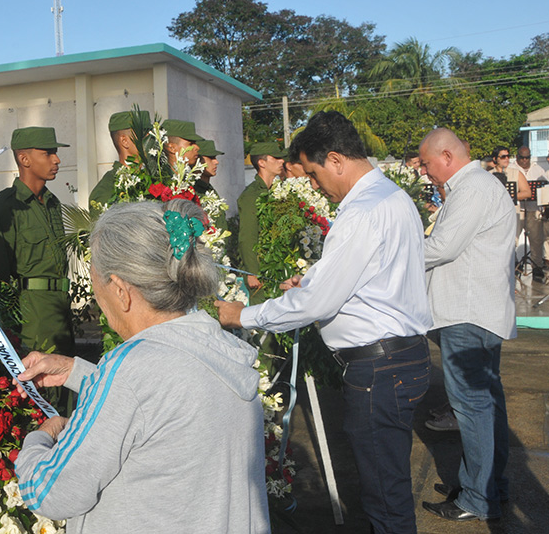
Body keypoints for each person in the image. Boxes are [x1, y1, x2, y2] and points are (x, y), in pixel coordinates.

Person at [215, 111, 432, 534]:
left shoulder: (362, 211)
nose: (314, 185)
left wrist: (242, 314)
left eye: (313, 174)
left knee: (385, 498)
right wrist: (312, 281)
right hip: (401, 358)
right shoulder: (392, 197)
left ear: (335, 159)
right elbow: (369, 278)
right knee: (388, 485)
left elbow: (317, 303)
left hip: (379, 369)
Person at [13, 198, 270, 534]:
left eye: (96, 285)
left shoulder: (131, 370)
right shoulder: (217, 347)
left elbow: (53, 492)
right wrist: (79, 373)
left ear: (121, 290)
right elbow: (170, 405)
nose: (97, 299)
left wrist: (40, 439)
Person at [418, 128, 516, 522]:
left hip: (468, 313)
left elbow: (443, 246)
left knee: (472, 408)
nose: (425, 172)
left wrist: (389, 250)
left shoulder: (473, 187)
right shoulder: (474, 186)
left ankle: (477, 497)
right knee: (486, 404)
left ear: (446, 155)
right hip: (475, 312)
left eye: (426, 163)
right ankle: (488, 485)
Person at [0, 126, 74, 359]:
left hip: (61, 311)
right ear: (24, 159)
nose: (57, 159)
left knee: (67, 386)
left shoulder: (53, 203)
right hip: (31, 318)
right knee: (42, 389)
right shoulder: (5, 209)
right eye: (47, 153)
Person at [237, 141, 286, 304]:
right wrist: (252, 272)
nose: (282, 162)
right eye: (276, 158)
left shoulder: (275, 191)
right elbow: (247, 236)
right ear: (262, 163)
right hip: (260, 273)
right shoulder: (252, 195)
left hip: (276, 269)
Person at [88, 110, 151, 208]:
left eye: (150, 134)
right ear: (124, 141)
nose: (150, 139)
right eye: (144, 134)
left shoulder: (153, 177)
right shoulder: (107, 188)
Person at [511, 145, 546, 282]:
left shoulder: (538, 169)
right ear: (518, 156)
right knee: (513, 238)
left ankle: (537, 265)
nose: (525, 160)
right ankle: (514, 265)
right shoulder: (512, 169)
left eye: (527, 157)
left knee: (536, 239)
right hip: (518, 209)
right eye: (522, 157)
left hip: (533, 208)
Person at [192, 139, 228, 230]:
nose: (216, 162)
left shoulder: (208, 189)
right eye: (211, 157)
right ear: (198, 160)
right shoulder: (191, 191)